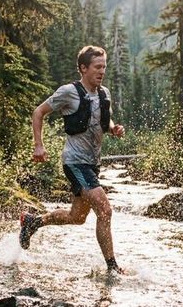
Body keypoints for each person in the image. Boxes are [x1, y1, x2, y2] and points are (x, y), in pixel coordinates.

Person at [19, 45, 126, 274]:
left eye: (104, 67)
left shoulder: (104, 93)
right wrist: (39, 145)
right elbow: (38, 112)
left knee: (76, 217)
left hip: (92, 163)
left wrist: (113, 128)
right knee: (105, 210)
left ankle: (33, 222)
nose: (102, 71)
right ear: (83, 68)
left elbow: (102, 120)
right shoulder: (69, 91)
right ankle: (112, 267)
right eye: (97, 67)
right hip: (74, 162)